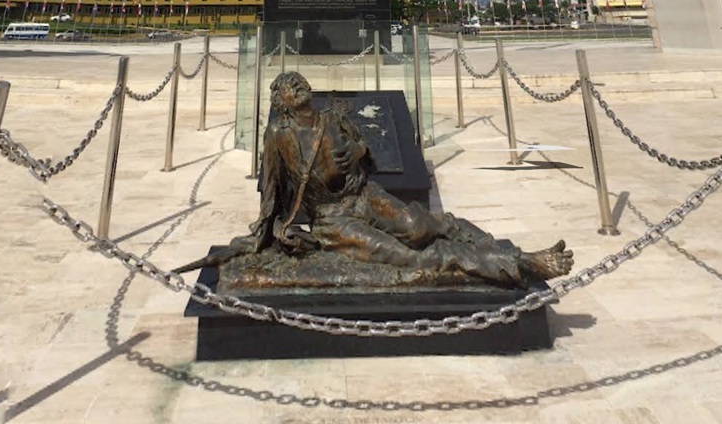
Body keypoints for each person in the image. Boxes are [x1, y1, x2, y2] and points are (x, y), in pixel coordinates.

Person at [179, 73, 574, 288]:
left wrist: (357, 153)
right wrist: (270, 233)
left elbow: (363, 145)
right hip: (333, 220)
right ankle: (519, 264)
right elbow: (271, 191)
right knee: (409, 258)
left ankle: (459, 230)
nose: (296, 84)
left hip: (364, 195)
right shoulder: (279, 138)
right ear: (280, 101)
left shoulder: (332, 118)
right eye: (287, 84)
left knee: (419, 228)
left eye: (298, 80)